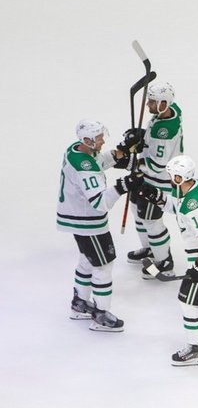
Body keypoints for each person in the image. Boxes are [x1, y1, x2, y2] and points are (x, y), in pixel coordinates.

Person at [136, 155, 198, 365]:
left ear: (179, 177)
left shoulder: (194, 204)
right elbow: (177, 207)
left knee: (188, 302)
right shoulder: (194, 187)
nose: (170, 178)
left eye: (172, 176)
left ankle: (195, 349)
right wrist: (156, 196)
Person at [56, 119, 141, 332]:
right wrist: (123, 186)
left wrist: (121, 150)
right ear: (87, 140)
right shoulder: (84, 167)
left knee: (87, 259)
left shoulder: (76, 150)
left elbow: (99, 162)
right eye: (99, 138)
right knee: (103, 264)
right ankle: (101, 314)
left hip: (77, 218)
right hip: (89, 222)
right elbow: (100, 203)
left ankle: (80, 303)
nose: (103, 141)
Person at [124, 81, 184, 279]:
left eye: (152, 102)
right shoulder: (169, 110)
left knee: (151, 220)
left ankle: (164, 262)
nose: (148, 105)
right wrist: (142, 137)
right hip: (146, 178)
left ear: (163, 103)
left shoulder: (164, 132)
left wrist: (133, 160)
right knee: (137, 211)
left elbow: (158, 165)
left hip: (157, 182)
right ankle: (149, 248)